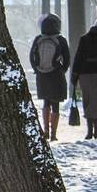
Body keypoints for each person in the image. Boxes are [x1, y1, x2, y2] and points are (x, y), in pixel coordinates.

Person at [29, 13, 70, 141]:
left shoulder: (38, 39)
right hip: (56, 75)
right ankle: (53, 134)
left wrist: (37, 70)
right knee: (56, 104)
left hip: (42, 76)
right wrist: (62, 70)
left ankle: (45, 130)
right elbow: (67, 59)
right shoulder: (61, 40)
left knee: (46, 103)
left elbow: (31, 57)